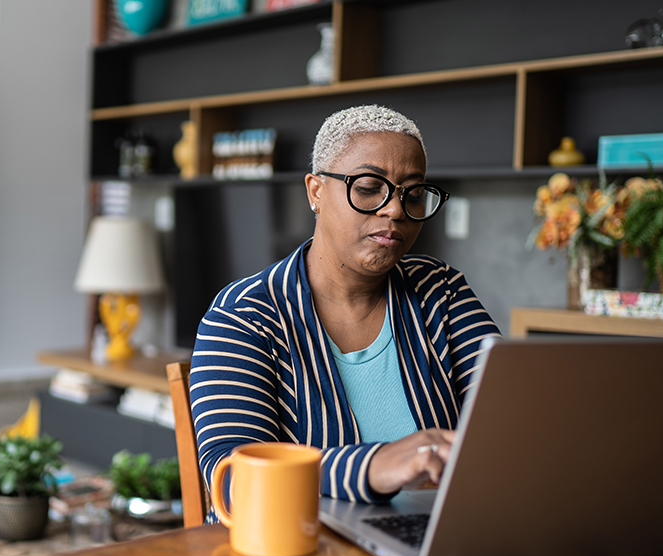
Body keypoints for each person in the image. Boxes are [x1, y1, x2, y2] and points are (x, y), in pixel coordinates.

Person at [189, 105, 501, 517]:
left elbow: (508, 417)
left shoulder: (439, 291)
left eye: (412, 193)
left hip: (432, 543)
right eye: (370, 187)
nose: (394, 210)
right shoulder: (244, 316)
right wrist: (371, 467)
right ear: (316, 191)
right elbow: (232, 484)